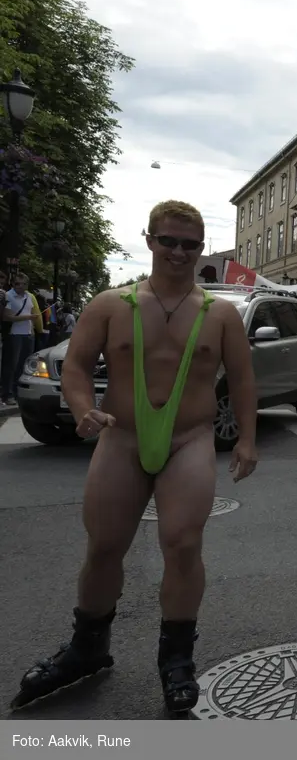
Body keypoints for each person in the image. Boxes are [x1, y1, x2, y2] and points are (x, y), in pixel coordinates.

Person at [10, 200, 259, 715]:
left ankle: (177, 660)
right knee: (104, 546)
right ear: (148, 240)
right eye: (168, 240)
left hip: (189, 437)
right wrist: (81, 408)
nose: (178, 252)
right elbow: (76, 366)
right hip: (120, 436)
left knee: (183, 544)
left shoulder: (221, 315)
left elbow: (243, 380)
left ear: (201, 249)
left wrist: (248, 439)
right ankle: (88, 648)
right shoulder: (110, 304)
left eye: (190, 244)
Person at [2, 273, 43, 406]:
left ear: (27, 284)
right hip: (14, 334)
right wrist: (28, 318)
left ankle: (18, 391)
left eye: (23, 284)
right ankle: (7, 394)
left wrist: (31, 330)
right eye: (17, 284)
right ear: (13, 284)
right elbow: (7, 317)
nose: (20, 286)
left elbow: (29, 313)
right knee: (11, 365)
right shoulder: (8, 296)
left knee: (23, 365)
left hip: (27, 334)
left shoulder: (29, 297)